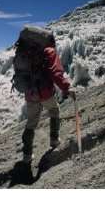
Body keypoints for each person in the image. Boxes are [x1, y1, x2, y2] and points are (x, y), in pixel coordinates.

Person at [21, 34, 76, 163]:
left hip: (30, 94)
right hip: (45, 92)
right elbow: (56, 72)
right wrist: (66, 87)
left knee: (31, 123)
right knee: (54, 111)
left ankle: (27, 155)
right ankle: (54, 140)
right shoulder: (49, 51)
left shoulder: (28, 53)